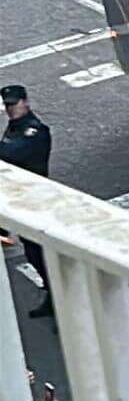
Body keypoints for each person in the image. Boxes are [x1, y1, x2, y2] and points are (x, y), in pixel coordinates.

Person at [1, 84, 54, 318]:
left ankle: (58, 300)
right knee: (33, 253)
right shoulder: (14, 128)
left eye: (15, 104)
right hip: (21, 199)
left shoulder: (34, 131)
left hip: (36, 199)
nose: (11, 109)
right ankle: (52, 295)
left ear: (26, 102)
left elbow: (10, 154)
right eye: (8, 105)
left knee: (43, 254)